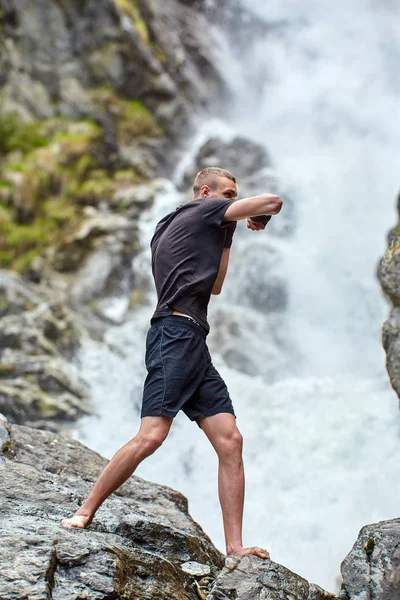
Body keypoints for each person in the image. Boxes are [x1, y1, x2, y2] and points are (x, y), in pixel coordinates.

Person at [62, 167, 282, 559]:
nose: (232, 200)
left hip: (193, 339)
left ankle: (234, 547)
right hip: (175, 335)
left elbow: (215, 285)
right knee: (152, 435)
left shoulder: (184, 224)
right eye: (227, 193)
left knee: (231, 441)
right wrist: (254, 214)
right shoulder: (198, 212)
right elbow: (273, 202)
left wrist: (228, 233)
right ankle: (84, 511)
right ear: (204, 192)